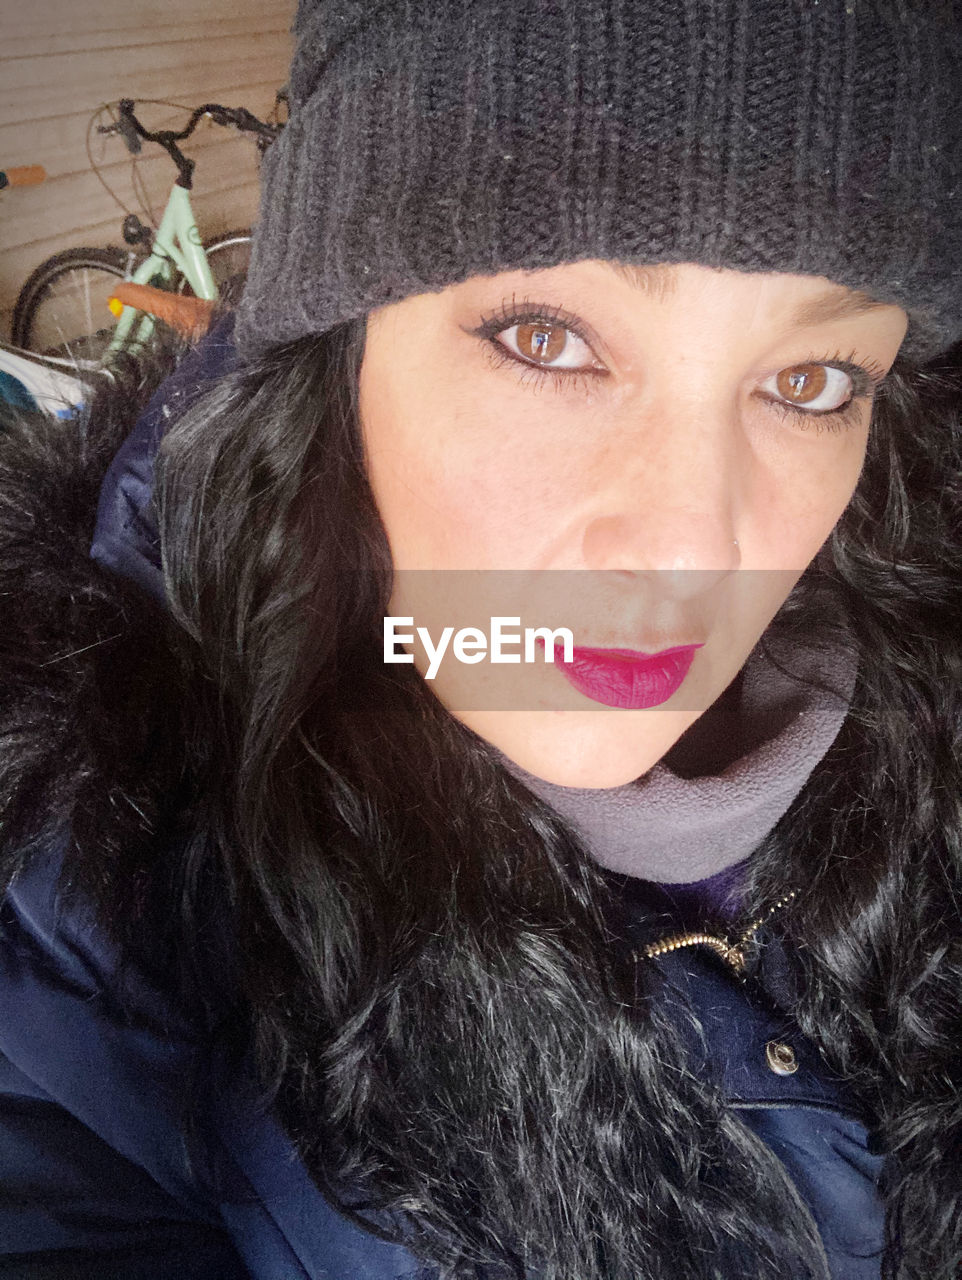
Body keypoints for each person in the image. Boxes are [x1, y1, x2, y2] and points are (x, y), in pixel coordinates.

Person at [1, 2, 961, 1278]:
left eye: (810, 380)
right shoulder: (86, 931)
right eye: (546, 338)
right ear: (336, 360)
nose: (689, 548)